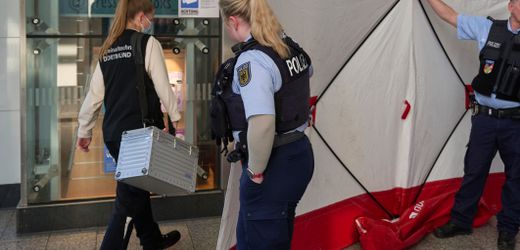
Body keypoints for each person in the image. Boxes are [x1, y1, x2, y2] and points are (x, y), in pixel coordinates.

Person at [76, 0, 181, 249]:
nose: (151, 22)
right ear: (141, 16)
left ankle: (151, 239)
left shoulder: (108, 48)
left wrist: (84, 129)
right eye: (151, 17)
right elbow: (163, 87)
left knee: (135, 189)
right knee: (126, 200)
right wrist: (176, 120)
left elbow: (94, 96)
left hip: (114, 134)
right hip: (139, 136)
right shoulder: (147, 44)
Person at [213, 0, 314, 248]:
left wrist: (255, 171)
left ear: (233, 21)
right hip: (299, 153)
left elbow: (262, 122)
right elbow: (307, 73)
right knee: (260, 235)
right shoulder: (286, 46)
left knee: (261, 239)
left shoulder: (253, 61)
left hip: (272, 164)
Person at [427, 1, 520, 249]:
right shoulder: (487, 28)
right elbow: (450, 16)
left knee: (517, 178)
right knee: (474, 170)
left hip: (516, 123)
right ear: (511, 6)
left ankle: (508, 230)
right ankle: (461, 220)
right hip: (485, 120)